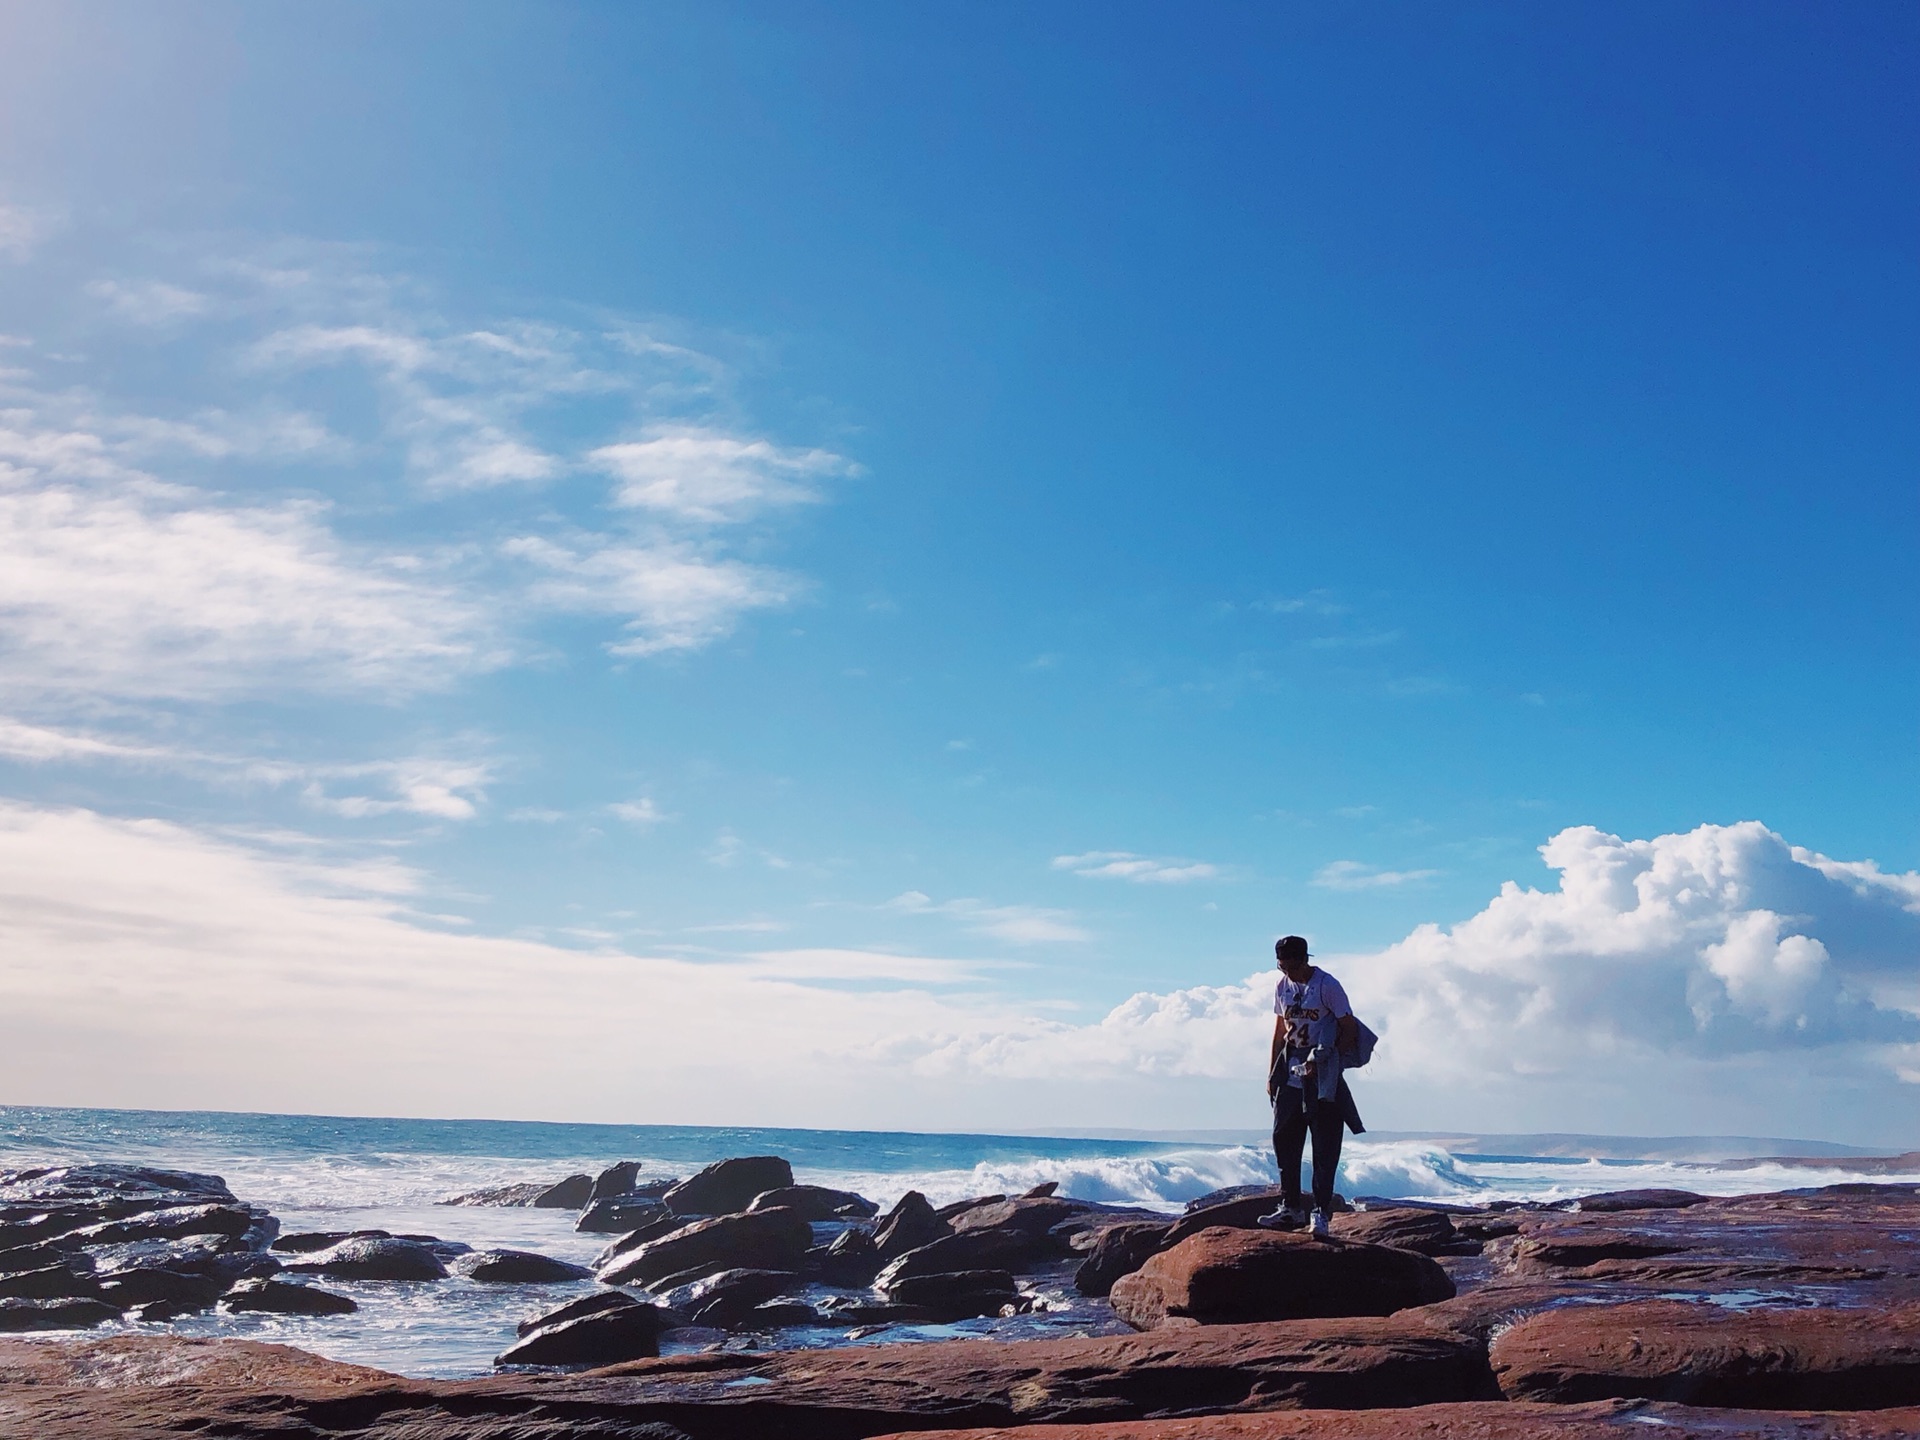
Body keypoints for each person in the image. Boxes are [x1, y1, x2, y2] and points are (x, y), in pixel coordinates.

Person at [1258, 934, 1362, 1238]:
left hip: (1322, 1076)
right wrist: (1271, 1073)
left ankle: (1320, 1212)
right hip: (1290, 1073)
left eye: (1291, 966)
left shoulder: (1327, 986)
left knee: (1324, 1144)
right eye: (1281, 966)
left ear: (1305, 960)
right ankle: (1290, 1207)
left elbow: (1349, 1027)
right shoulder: (1282, 987)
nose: (1287, 972)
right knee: (1284, 1139)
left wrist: (1330, 1062)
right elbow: (1280, 1029)